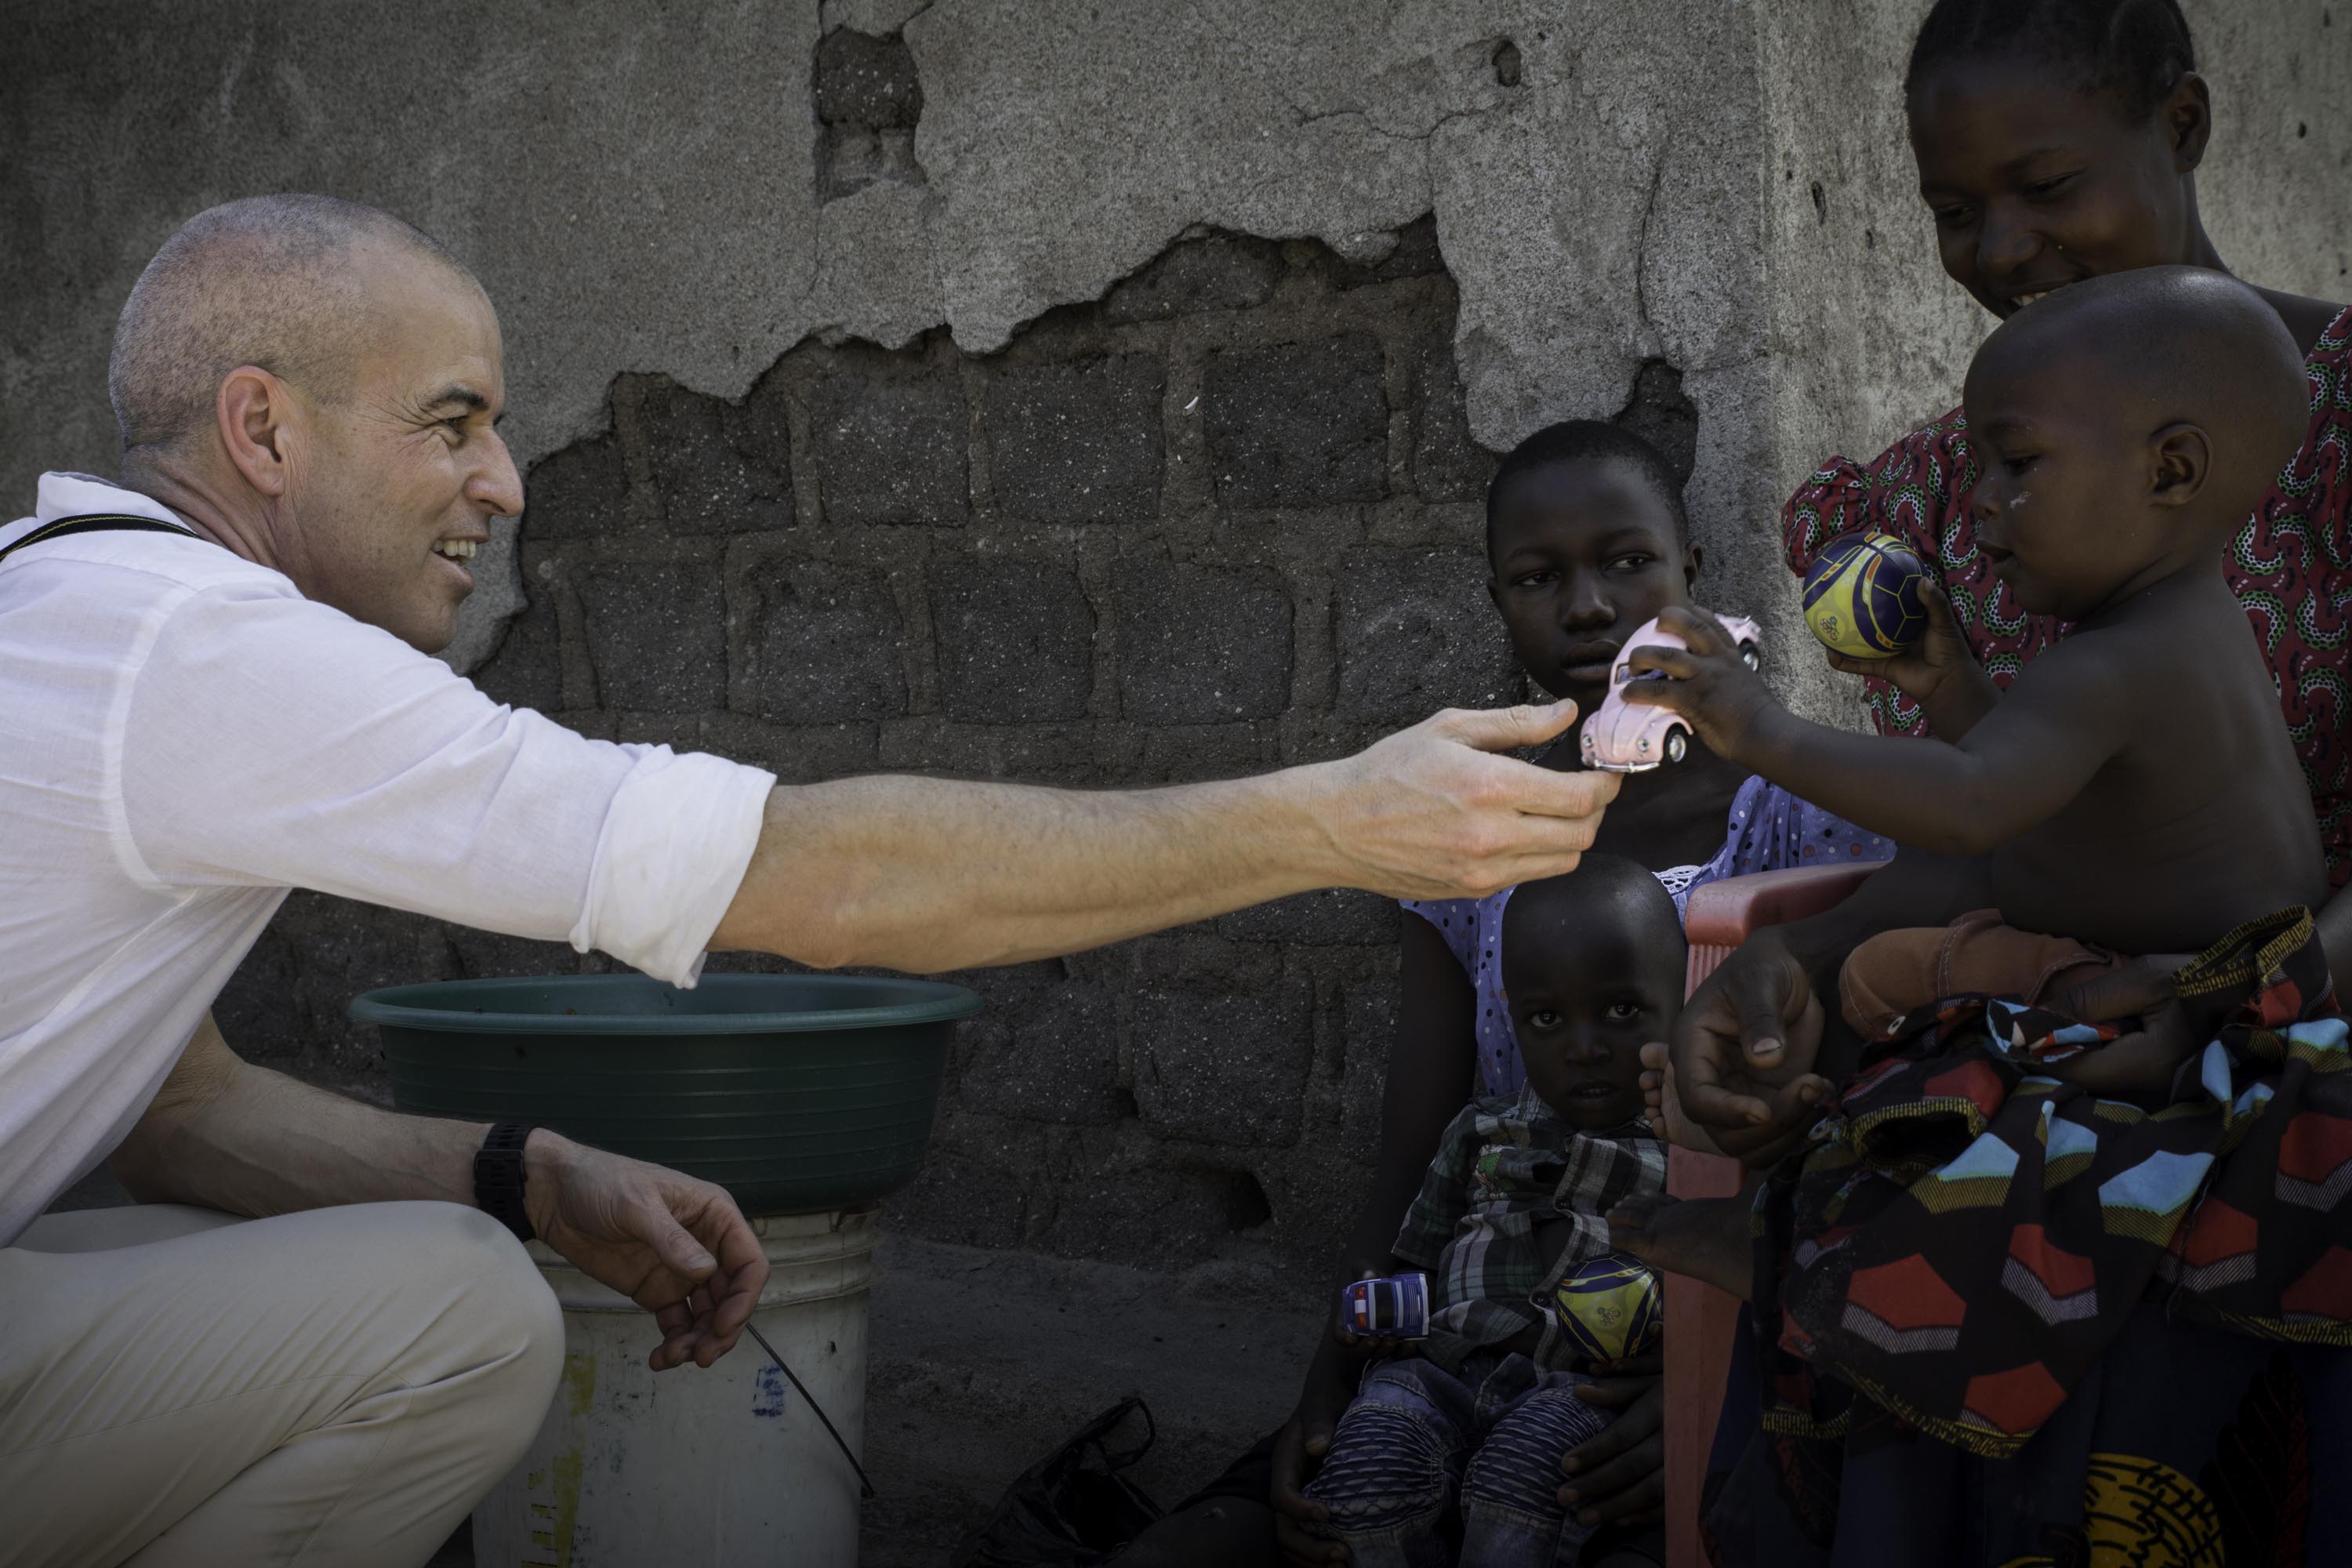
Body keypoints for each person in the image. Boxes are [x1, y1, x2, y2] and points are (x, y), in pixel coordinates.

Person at [0, 194, 1626, 1567]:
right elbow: (819, 887)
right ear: (263, 429)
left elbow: (177, 1111)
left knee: (334, 1247)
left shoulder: (68, 603)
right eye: (451, 422)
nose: (503, 481)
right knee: (462, 1317)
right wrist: (1330, 820)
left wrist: (524, 1169)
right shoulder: (202, 647)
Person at [1653, 2, 2352, 1557]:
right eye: (1954, 209)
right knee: (1932, 1130)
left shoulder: (2321, 431)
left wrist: (2239, 1011)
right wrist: (1789, 969)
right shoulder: (1974, 486)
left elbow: (2000, 806)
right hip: (2075, 1019)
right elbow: (1992, 826)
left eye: (2046, 185)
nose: (2003, 247)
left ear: (2182, 128)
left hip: (2293, 1043)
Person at [1116, 423, 1889, 1567]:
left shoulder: (1803, 810)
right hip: (1466, 1345)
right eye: (1538, 578)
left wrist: (1706, 1377)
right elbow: (1417, 1146)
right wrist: (1332, 1373)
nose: (1589, 607)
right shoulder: (1465, 834)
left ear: (1690, 573)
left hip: (1699, 1334)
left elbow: (1853, 1146)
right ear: (1497, 602)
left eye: (1627, 562)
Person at [1299, 858, 1679, 1568]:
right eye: (1547, 1019)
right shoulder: (1480, 1132)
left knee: (1525, 1487)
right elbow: (1417, 1256)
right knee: (1364, 1477)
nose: (1585, 1047)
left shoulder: (1692, 1156)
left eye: (1622, 1011)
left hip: (1579, 1389)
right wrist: (1377, 1318)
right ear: (1512, 1020)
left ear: (1680, 1005)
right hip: (1440, 1373)